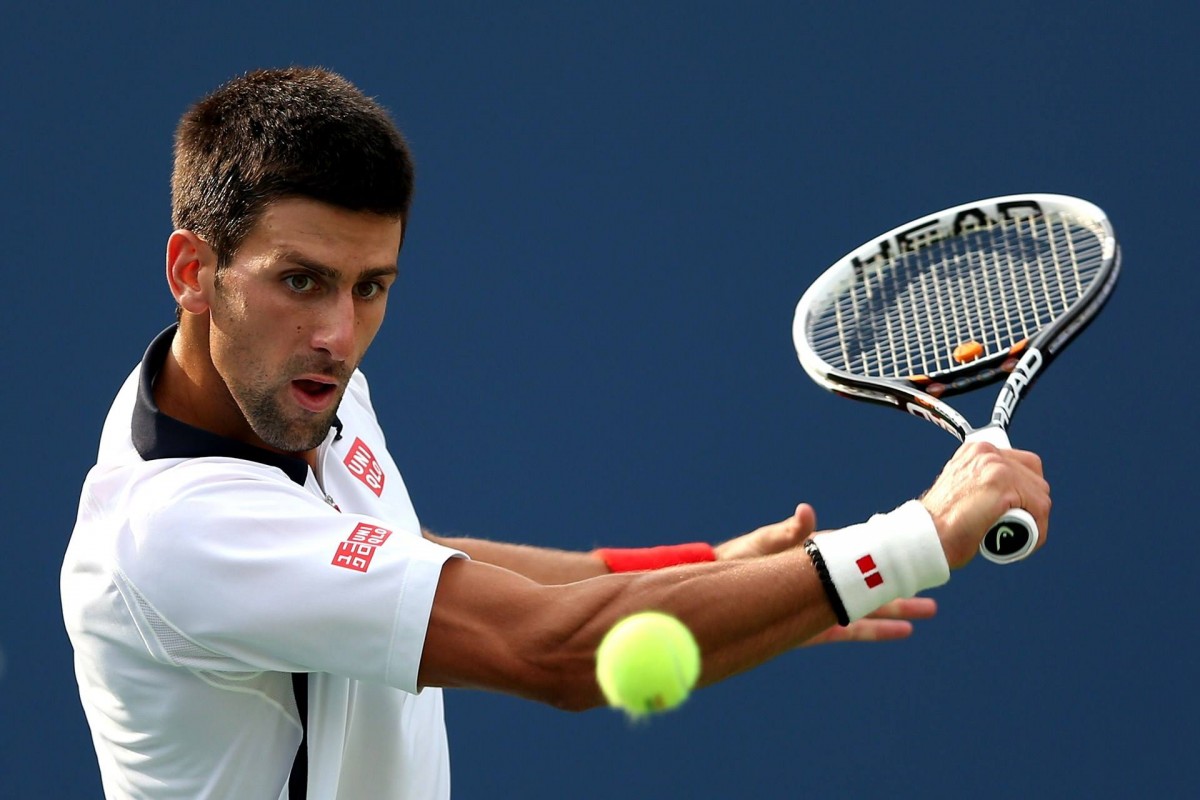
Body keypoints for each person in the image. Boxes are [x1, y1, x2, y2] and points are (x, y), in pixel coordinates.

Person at [61, 67, 1051, 800]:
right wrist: (922, 535)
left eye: (371, 287)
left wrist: (704, 571)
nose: (340, 333)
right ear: (192, 271)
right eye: (301, 280)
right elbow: (553, 652)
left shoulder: (268, 382)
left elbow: (396, 560)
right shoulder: (175, 532)